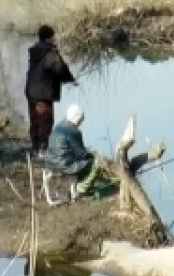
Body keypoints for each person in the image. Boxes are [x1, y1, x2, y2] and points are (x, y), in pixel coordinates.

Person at [25, 25, 76, 155]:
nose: (55, 40)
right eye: (53, 37)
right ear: (50, 38)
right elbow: (60, 69)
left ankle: (35, 147)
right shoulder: (50, 53)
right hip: (43, 93)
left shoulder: (35, 51)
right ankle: (42, 149)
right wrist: (71, 79)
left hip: (31, 92)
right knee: (45, 121)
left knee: (35, 120)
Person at [46, 104, 112, 196]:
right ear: (77, 119)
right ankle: (81, 188)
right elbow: (81, 154)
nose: (80, 123)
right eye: (81, 121)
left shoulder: (58, 126)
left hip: (50, 162)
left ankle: (78, 183)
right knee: (96, 163)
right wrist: (93, 155)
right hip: (65, 165)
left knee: (83, 162)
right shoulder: (75, 132)